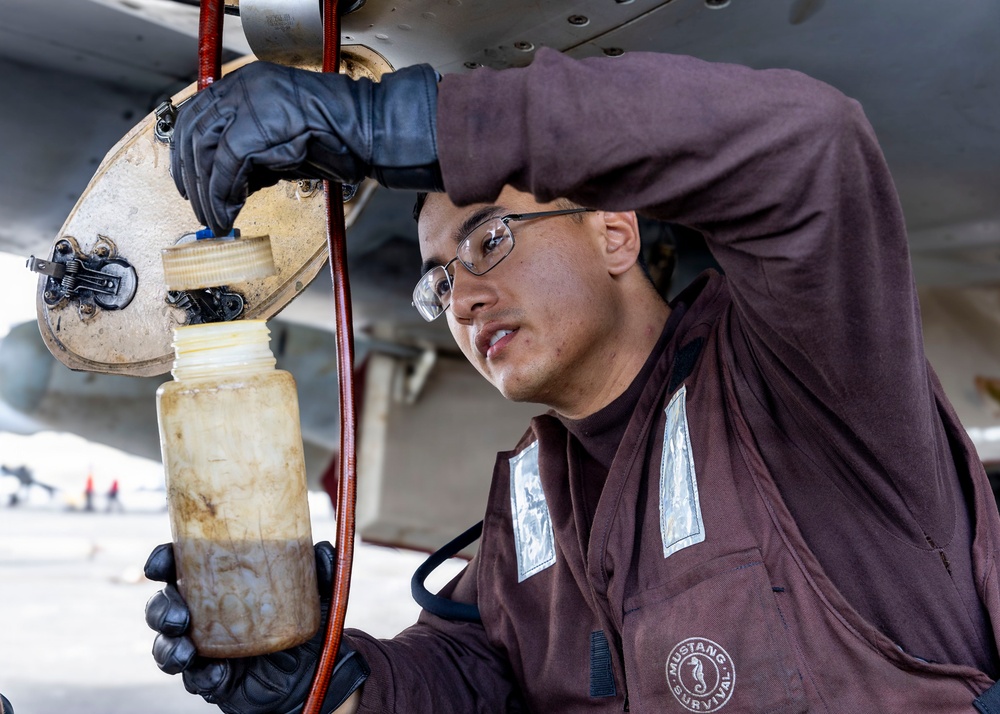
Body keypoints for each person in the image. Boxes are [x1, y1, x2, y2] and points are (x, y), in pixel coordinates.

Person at [146, 48, 1000, 712]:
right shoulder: (533, 496)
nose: (465, 297)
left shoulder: (801, 384)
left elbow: (812, 146)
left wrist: (400, 125)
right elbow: (478, 680)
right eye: (439, 281)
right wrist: (322, 681)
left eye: (489, 239)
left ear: (617, 233)